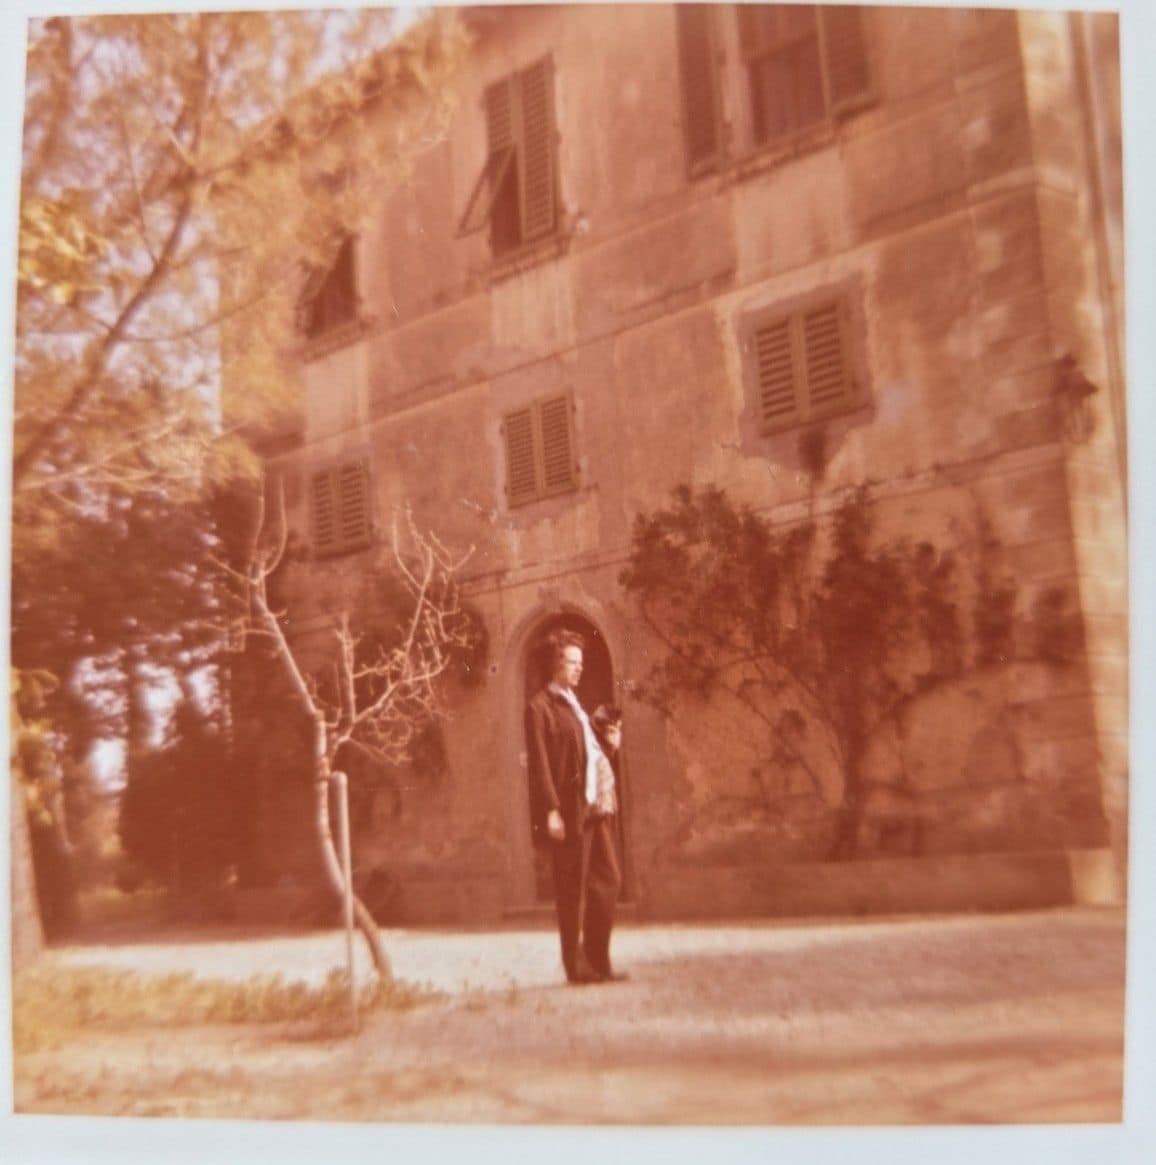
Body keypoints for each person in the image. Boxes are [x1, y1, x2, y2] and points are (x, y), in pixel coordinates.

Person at [524, 630, 626, 985]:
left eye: (582, 663)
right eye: (573, 662)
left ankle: (598, 960)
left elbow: (586, 753)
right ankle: (576, 966)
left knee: (608, 880)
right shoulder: (540, 707)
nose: (579, 669)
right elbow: (539, 763)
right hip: (569, 810)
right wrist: (551, 810)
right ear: (554, 664)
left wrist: (609, 745)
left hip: (596, 805)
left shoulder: (574, 703)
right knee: (572, 889)